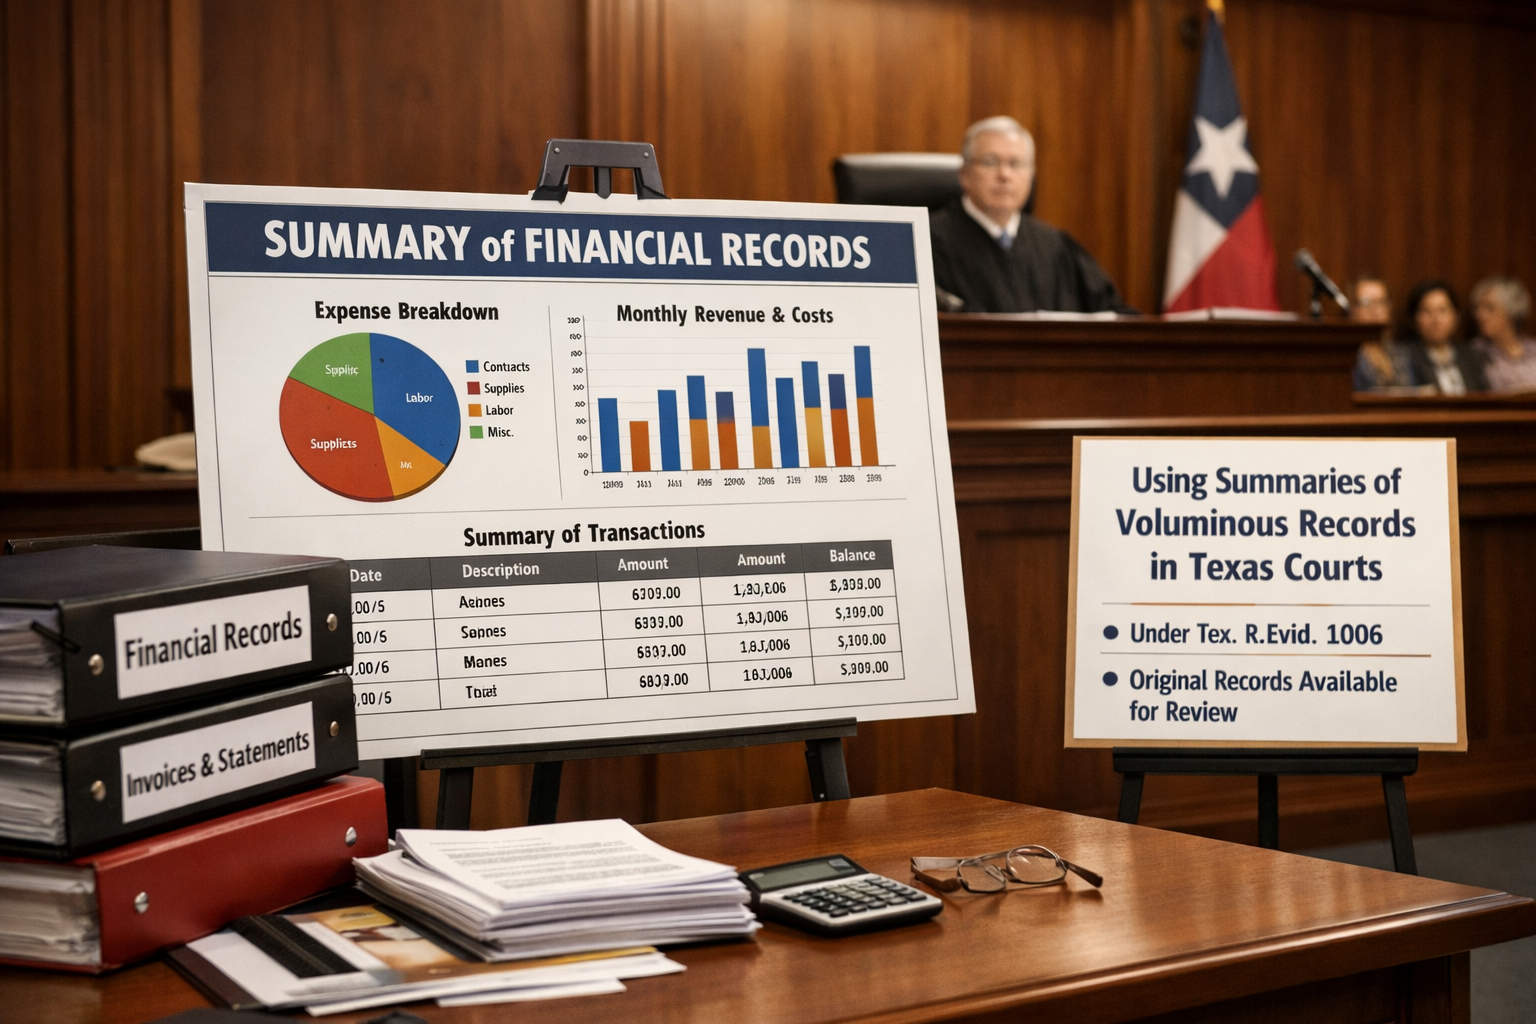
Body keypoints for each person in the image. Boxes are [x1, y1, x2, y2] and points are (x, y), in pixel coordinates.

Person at [928, 116, 1134, 314]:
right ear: (964, 174)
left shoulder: (1057, 247)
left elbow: (1114, 313)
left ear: (1031, 175)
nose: (1005, 175)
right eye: (990, 162)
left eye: (1016, 164)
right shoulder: (927, 243)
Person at [1400, 280, 1487, 395]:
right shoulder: (1404, 358)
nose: (1436, 320)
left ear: (1456, 317)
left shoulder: (1472, 357)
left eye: (1443, 310)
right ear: (1413, 319)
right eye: (1427, 311)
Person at [1468, 276, 1536, 393]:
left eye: (1489, 308)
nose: (1479, 315)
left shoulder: (1533, 348)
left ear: (1511, 311)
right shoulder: (1474, 353)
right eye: (1478, 308)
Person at [1350, 276, 1417, 391]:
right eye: (1366, 302)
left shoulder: (1402, 353)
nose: (1374, 308)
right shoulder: (1347, 355)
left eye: (1381, 302)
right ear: (1354, 309)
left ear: (1389, 308)